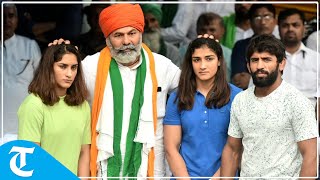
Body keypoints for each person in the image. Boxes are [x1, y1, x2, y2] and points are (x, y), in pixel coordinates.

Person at [78, 4, 180, 178]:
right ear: (107, 39)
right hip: (104, 165)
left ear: (140, 34)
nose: (126, 41)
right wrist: (56, 53)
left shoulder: (162, 66)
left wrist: (206, 48)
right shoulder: (89, 67)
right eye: (118, 35)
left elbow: (195, 87)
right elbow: (59, 92)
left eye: (132, 33)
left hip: (151, 166)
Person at [221, 34, 318, 178]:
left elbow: (311, 156)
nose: (260, 66)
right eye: (255, 60)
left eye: (267, 59)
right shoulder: (240, 100)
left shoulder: (297, 101)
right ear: (248, 66)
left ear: (282, 64)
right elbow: (232, 150)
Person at [164, 35, 241, 178]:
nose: (202, 66)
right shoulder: (177, 97)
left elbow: (237, 148)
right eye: (196, 60)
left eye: (209, 58)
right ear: (190, 63)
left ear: (219, 61)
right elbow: (171, 148)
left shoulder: (237, 96)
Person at [17, 43, 91, 178]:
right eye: (63, 66)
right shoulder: (33, 105)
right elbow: (30, 159)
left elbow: (84, 153)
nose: (69, 74)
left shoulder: (82, 105)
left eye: (74, 68)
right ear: (49, 68)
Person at [2, 3, 41, 143]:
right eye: (2, 16)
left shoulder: (30, 45)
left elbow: (42, 85)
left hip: (24, 125)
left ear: (17, 20)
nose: (6, 21)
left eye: (11, 16)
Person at [231, 4, 279, 90]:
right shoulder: (241, 45)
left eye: (267, 17)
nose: (263, 22)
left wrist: (250, 79)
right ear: (250, 22)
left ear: (275, 21)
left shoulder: (281, 45)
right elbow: (239, 80)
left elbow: (287, 78)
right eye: (257, 17)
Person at [278, 8, 319, 107]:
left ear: (304, 28)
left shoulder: (317, 59)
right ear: (278, 29)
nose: (290, 29)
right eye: (285, 25)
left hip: (310, 116)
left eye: (295, 25)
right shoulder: (267, 59)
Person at [196, 12, 232, 82]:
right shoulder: (184, 51)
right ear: (197, 30)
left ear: (222, 31)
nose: (207, 34)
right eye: (203, 30)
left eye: (212, 30)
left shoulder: (230, 54)